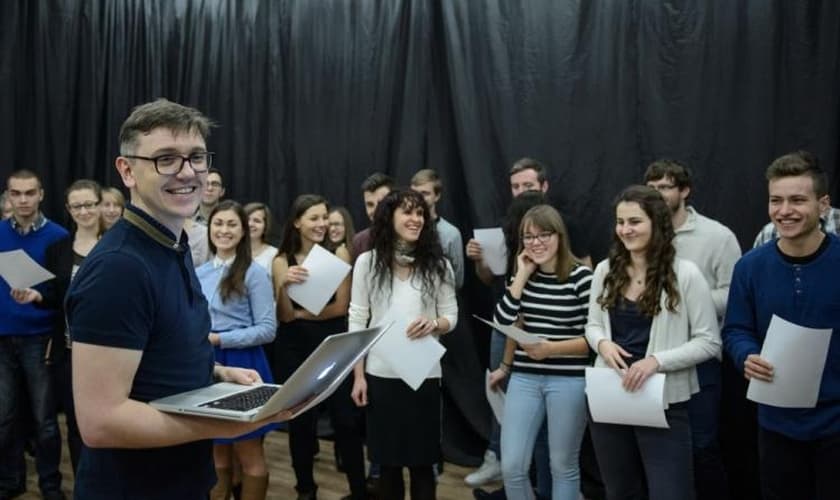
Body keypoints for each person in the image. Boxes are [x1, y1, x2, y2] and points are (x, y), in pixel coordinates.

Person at [65, 98, 291, 499]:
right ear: (127, 170)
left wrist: (217, 374)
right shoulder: (119, 268)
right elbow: (101, 423)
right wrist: (226, 422)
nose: (187, 173)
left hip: (182, 478)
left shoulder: (175, 242)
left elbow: (159, 350)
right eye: (166, 159)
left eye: (196, 157)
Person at [585, 185, 720, 500]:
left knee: (671, 493)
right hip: (609, 398)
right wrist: (602, 343)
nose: (625, 230)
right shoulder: (605, 270)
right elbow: (592, 325)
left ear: (657, 224)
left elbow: (709, 342)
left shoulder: (685, 275)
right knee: (620, 492)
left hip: (664, 403)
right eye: (620, 222)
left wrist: (656, 362)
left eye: (635, 221)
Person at [723, 151, 840, 500]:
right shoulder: (749, 267)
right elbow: (735, 329)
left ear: (823, 206)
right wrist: (747, 354)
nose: (784, 210)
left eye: (797, 200)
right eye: (776, 200)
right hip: (775, 422)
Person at [350, 189, 457, 500]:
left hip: (423, 375)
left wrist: (435, 323)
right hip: (381, 376)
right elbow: (358, 320)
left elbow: (452, 315)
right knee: (388, 466)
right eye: (408, 212)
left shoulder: (438, 265)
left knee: (423, 465)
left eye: (420, 213)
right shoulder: (368, 263)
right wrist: (358, 376)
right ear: (389, 217)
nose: (416, 219)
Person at [644, 160, 740, 500]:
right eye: (652, 188)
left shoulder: (717, 236)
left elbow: (735, 294)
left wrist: (684, 303)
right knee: (661, 453)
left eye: (665, 187)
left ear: (684, 191)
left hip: (701, 358)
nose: (657, 195)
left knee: (702, 447)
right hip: (650, 357)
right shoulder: (641, 234)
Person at [487, 205, 592, 500]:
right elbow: (504, 324)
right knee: (512, 466)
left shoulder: (582, 278)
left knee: (562, 465)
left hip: (569, 381)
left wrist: (551, 349)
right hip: (525, 378)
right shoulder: (523, 278)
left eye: (544, 234)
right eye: (528, 237)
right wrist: (521, 275)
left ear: (560, 236)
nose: (536, 242)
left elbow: (595, 339)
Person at [272, 194, 366, 500]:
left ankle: (358, 490)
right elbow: (284, 316)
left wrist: (304, 314)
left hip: (333, 345)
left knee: (346, 421)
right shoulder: (281, 261)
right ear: (297, 222)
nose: (322, 224)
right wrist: (284, 286)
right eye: (314, 218)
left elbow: (341, 307)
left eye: (324, 217)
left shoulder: (339, 254)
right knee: (300, 423)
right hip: (294, 349)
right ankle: (305, 490)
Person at [11, 179, 106, 475]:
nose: (84, 211)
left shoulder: (116, 243)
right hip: (70, 353)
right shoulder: (60, 248)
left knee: (109, 424)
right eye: (77, 206)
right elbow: (55, 296)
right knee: (77, 427)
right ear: (68, 209)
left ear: (101, 204)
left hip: (112, 351)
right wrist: (37, 296)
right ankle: (84, 487)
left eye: (89, 204)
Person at [196, 200, 278, 500]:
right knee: (216, 452)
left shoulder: (254, 273)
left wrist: (220, 340)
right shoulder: (200, 272)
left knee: (249, 453)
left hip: (244, 364)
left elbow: (268, 329)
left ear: (244, 231)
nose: (224, 230)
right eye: (218, 223)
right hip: (208, 364)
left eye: (232, 224)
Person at [0, 169, 68, 500]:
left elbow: (64, 292)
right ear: (8, 197)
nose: (23, 200)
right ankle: (11, 481)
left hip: (40, 338)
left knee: (45, 422)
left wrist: (39, 298)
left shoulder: (58, 236)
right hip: (2, 339)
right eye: (17, 194)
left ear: (41, 194)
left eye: (30, 193)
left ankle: (50, 485)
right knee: (5, 418)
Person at [411, 168, 464, 289]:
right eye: (415, 193)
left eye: (425, 193)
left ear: (437, 196)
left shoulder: (451, 233)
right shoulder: (404, 229)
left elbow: (457, 281)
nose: (419, 198)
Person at [351, 172, 394, 260]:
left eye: (381, 203)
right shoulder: (359, 241)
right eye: (370, 204)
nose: (375, 210)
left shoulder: (409, 235)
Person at [244, 202, 279, 280]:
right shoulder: (231, 251)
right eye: (246, 219)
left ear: (265, 226)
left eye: (257, 221)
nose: (250, 224)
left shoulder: (274, 255)